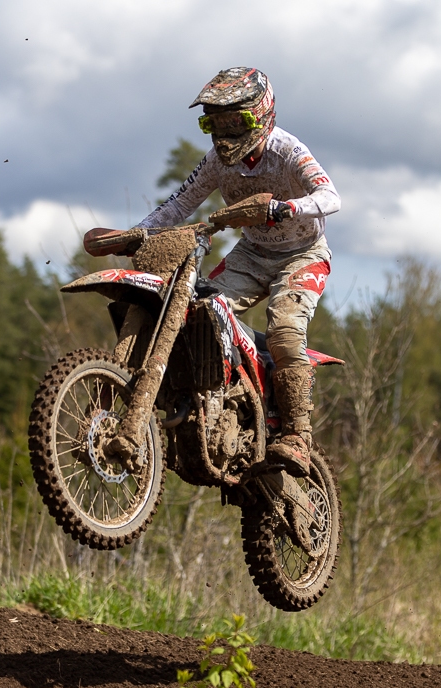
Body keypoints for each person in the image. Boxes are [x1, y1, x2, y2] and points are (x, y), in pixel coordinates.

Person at [136, 67, 340, 477]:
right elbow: (179, 205)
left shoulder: (287, 151)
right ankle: (215, 400)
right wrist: (140, 233)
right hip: (251, 253)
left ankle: (298, 435)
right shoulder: (216, 162)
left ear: (260, 115)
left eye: (235, 122)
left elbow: (331, 196)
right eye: (214, 123)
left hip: (302, 254)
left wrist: (287, 207)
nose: (224, 133)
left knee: (285, 330)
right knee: (195, 312)